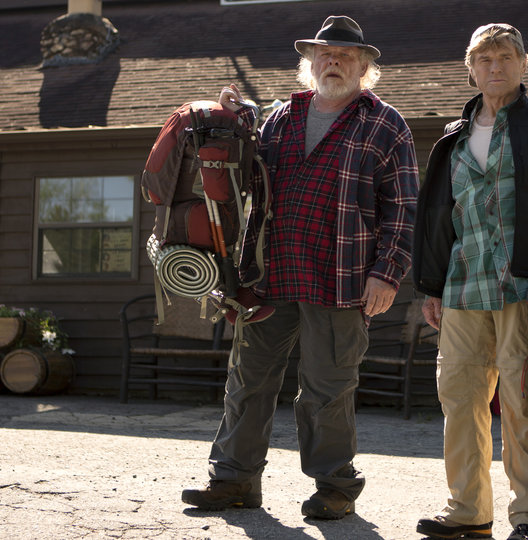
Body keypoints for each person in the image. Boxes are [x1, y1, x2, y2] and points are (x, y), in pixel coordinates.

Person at [180, 15, 418, 520]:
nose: (333, 62)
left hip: (342, 277)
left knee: (327, 390)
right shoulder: (280, 117)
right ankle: (234, 480)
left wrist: (387, 272)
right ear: (310, 63)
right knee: (248, 380)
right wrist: (230, 119)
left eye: (346, 56)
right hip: (268, 273)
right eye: (324, 54)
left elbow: (403, 208)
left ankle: (335, 488)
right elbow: (245, 178)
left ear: (365, 68)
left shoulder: (385, 124)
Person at [411, 23, 528, 540]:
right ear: (470, 70)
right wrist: (431, 285)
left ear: (523, 64)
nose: (495, 67)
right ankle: (468, 511)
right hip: (462, 290)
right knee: (460, 402)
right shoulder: (452, 138)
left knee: (524, 405)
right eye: (485, 59)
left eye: (505, 57)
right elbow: (440, 219)